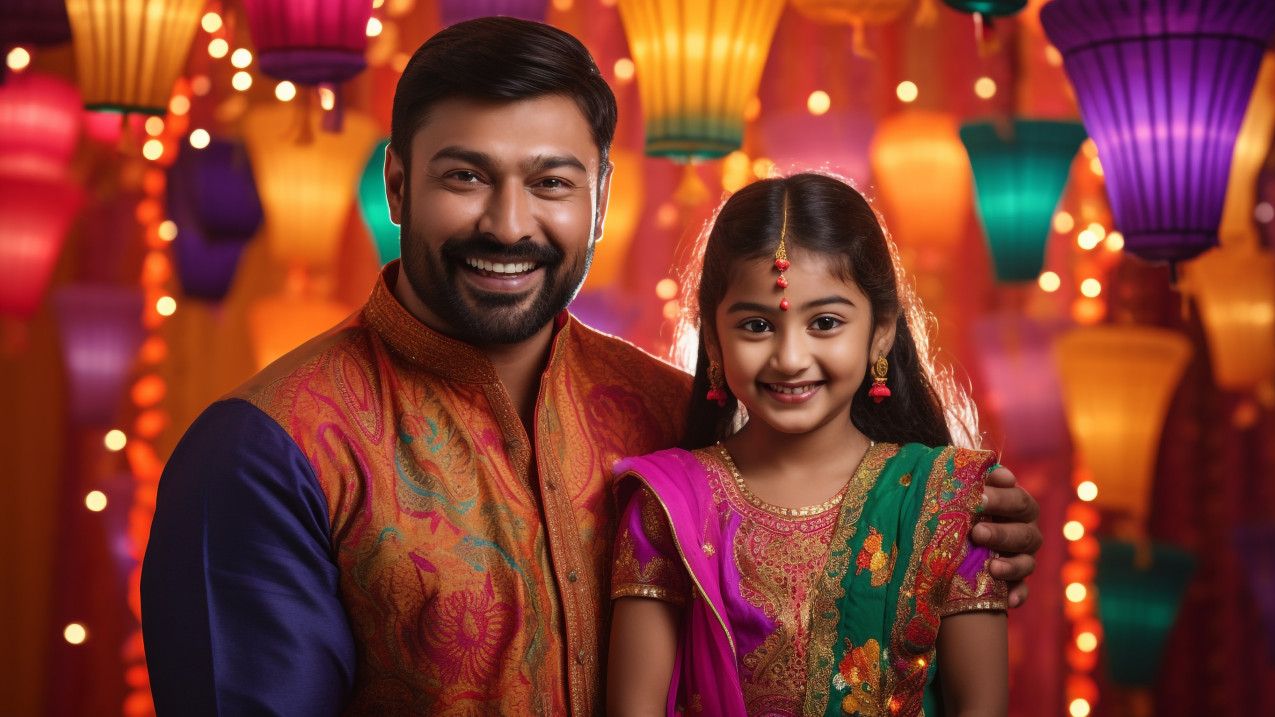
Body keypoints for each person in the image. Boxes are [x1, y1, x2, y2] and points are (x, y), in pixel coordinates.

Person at [141, 17, 1040, 717]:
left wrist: (962, 530)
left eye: (551, 182)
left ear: (602, 200)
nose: (508, 222)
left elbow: (818, 553)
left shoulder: (670, 411)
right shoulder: (268, 451)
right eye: (465, 177)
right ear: (398, 186)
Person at [607, 173, 1010, 717]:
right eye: (756, 325)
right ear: (712, 339)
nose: (790, 357)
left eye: (824, 322)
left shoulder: (944, 502)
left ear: (882, 331)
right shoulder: (669, 508)